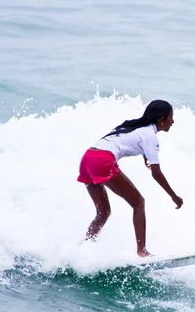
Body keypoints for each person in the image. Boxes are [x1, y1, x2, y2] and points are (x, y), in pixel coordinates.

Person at [76, 99, 183, 257]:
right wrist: (174, 196)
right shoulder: (149, 136)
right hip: (103, 161)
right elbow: (156, 173)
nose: (172, 121)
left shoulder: (135, 127)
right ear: (161, 120)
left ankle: (83, 250)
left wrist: (145, 155)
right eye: (171, 117)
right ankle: (142, 252)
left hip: (87, 158)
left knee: (103, 212)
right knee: (139, 203)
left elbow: (126, 142)